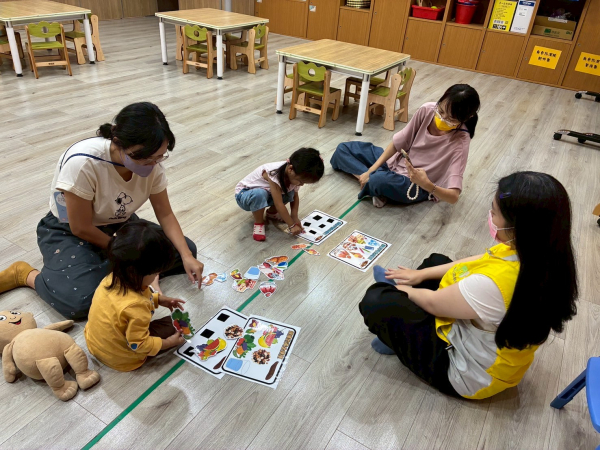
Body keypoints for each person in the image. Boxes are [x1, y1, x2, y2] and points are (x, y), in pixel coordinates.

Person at [360, 171, 578, 399]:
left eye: (494, 212)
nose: (489, 217)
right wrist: (419, 275)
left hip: (466, 375)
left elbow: (433, 303)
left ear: (517, 227)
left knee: (378, 300)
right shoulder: (540, 253)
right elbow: (480, 259)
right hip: (489, 344)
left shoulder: (496, 283)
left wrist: (398, 291)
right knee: (436, 263)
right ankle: (399, 328)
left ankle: (395, 336)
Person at [0, 102, 204, 319]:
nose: (153, 165)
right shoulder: (84, 163)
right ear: (118, 142)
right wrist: (135, 261)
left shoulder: (151, 163)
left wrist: (186, 255)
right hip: (69, 228)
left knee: (182, 251)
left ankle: (117, 269)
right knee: (80, 302)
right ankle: (26, 275)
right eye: (144, 159)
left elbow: (165, 213)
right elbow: (80, 227)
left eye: (159, 157)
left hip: (119, 221)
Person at [330, 84, 480, 207]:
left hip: (415, 184)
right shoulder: (427, 110)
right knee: (343, 149)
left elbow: (453, 196)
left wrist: (427, 185)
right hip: (395, 163)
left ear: (467, 118)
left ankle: (377, 184)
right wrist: (370, 171)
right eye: (440, 111)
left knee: (378, 180)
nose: (442, 118)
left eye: (451, 119)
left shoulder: (461, 141)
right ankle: (374, 185)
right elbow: (398, 143)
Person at [84, 222, 186, 372]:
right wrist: (169, 343)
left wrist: (159, 299)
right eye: (155, 273)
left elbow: (129, 303)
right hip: (121, 358)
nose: (156, 276)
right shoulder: (136, 305)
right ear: (135, 273)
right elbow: (138, 344)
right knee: (175, 324)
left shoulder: (110, 279)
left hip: (94, 343)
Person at [235, 148, 325, 241]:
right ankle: (259, 223)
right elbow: (279, 204)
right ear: (290, 169)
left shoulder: (294, 172)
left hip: (267, 193)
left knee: (290, 192)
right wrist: (291, 225)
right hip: (244, 195)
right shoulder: (273, 173)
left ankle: (271, 213)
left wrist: (294, 217)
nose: (301, 184)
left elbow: (295, 196)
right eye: (300, 181)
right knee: (259, 194)